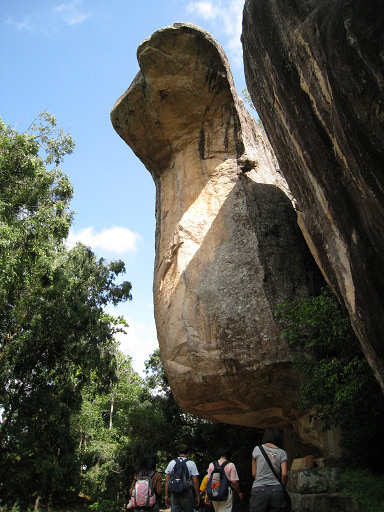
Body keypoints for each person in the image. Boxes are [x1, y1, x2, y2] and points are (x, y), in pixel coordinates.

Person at [250, 428, 288, 512]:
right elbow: (284, 473)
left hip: (259, 489)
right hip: (276, 489)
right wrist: (282, 487)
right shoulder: (282, 453)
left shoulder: (257, 449)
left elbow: (253, 473)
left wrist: (261, 480)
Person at [165, 444, 200, 512]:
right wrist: (197, 496)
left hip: (174, 494)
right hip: (186, 493)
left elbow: (167, 481)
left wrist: (166, 496)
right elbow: (195, 482)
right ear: (188, 453)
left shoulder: (172, 463)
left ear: (178, 453)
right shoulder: (191, 464)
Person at [206, 447, 243, 512]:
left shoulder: (211, 465)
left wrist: (208, 495)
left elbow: (208, 481)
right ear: (229, 455)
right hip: (226, 492)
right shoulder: (231, 465)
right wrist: (239, 493)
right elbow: (234, 482)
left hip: (214, 491)